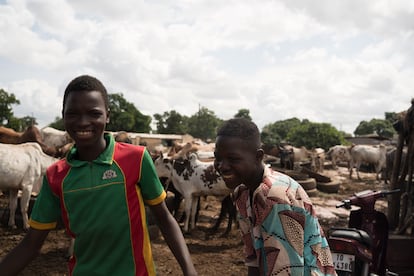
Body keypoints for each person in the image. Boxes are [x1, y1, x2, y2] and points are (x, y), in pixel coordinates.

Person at [0, 75, 197, 276]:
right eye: (73, 114)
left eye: (94, 113)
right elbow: (31, 245)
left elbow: (164, 218)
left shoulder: (136, 159)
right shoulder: (55, 176)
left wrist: (189, 270)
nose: (83, 122)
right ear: (64, 116)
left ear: (107, 115)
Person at [213, 118, 336, 276]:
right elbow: (254, 259)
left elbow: (287, 271)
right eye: (218, 158)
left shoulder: (275, 198)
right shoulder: (242, 193)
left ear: (258, 157)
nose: (222, 166)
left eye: (233, 159)